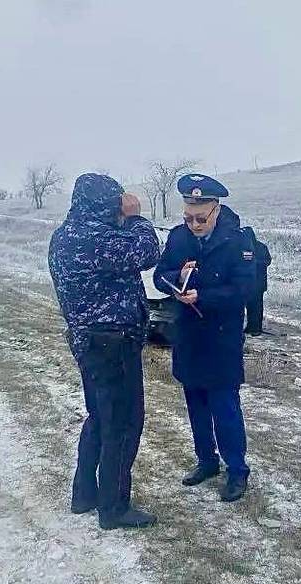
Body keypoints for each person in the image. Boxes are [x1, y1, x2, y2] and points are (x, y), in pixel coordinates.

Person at [48, 173, 161, 530]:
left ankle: (84, 493)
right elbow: (148, 251)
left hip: (88, 342)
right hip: (113, 343)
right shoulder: (98, 238)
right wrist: (137, 216)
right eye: (114, 202)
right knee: (123, 424)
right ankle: (113, 507)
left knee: (99, 417)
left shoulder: (65, 235)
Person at [153, 173, 256, 502]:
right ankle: (206, 460)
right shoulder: (179, 237)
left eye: (200, 218)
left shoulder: (238, 240)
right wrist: (175, 285)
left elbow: (245, 290)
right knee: (195, 405)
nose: (193, 224)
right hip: (188, 336)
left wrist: (203, 296)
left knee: (224, 407)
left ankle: (237, 470)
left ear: (216, 210)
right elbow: (159, 275)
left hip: (221, 338)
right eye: (188, 217)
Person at [242, 226, 272, 336]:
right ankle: (252, 327)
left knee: (255, 306)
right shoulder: (261, 246)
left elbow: (267, 261)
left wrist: (255, 263)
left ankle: (255, 328)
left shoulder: (249, 248)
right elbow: (268, 261)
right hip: (256, 282)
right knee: (253, 306)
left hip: (254, 282)